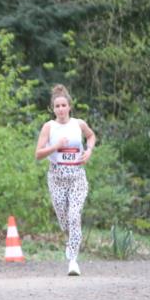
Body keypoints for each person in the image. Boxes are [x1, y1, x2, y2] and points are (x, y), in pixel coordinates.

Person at [35, 84, 96, 276]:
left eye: (64, 105)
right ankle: (70, 243)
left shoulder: (79, 124)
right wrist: (56, 147)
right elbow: (38, 154)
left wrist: (89, 151)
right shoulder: (49, 127)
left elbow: (91, 136)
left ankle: (73, 260)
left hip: (77, 176)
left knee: (74, 216)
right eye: (57, 106)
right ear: (53, 109)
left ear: (69, 106)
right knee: (64, 220)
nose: (61, 109)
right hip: (56, 178)